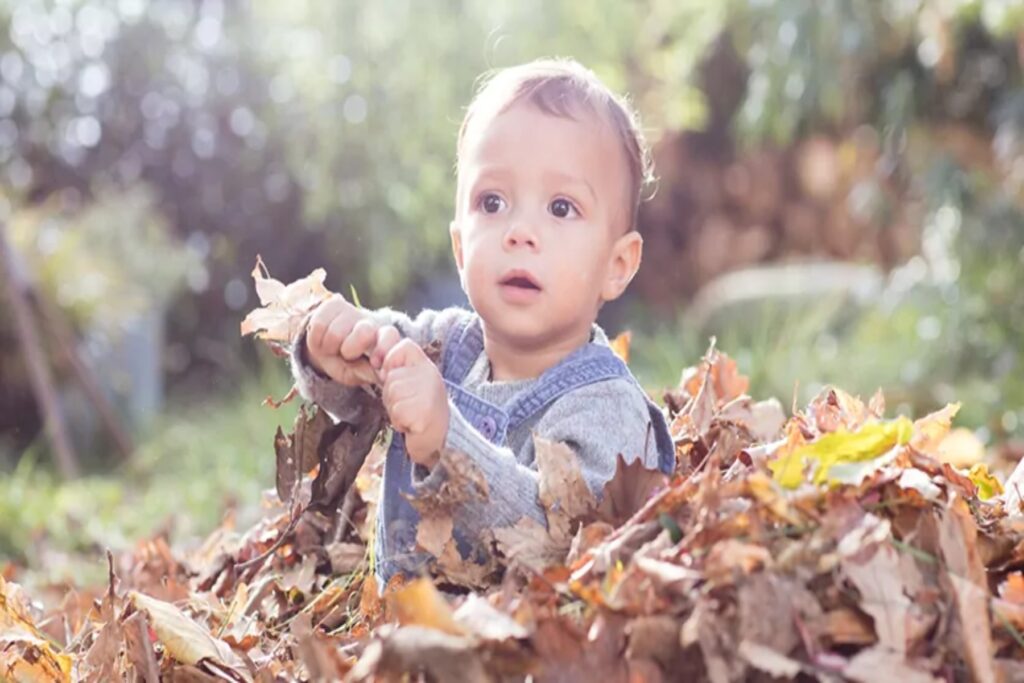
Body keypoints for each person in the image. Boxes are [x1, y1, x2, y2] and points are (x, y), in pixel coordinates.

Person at [290, 58, 675, 586]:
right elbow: (366, 374)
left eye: (561, 208)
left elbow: (568, 545)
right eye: (492, 202)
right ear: (460, 248)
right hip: (403, 646)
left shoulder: (605, 407)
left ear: (618, 265)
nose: (520, 231)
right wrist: (330, 347)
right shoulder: (444, 346)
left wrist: (446, 440)